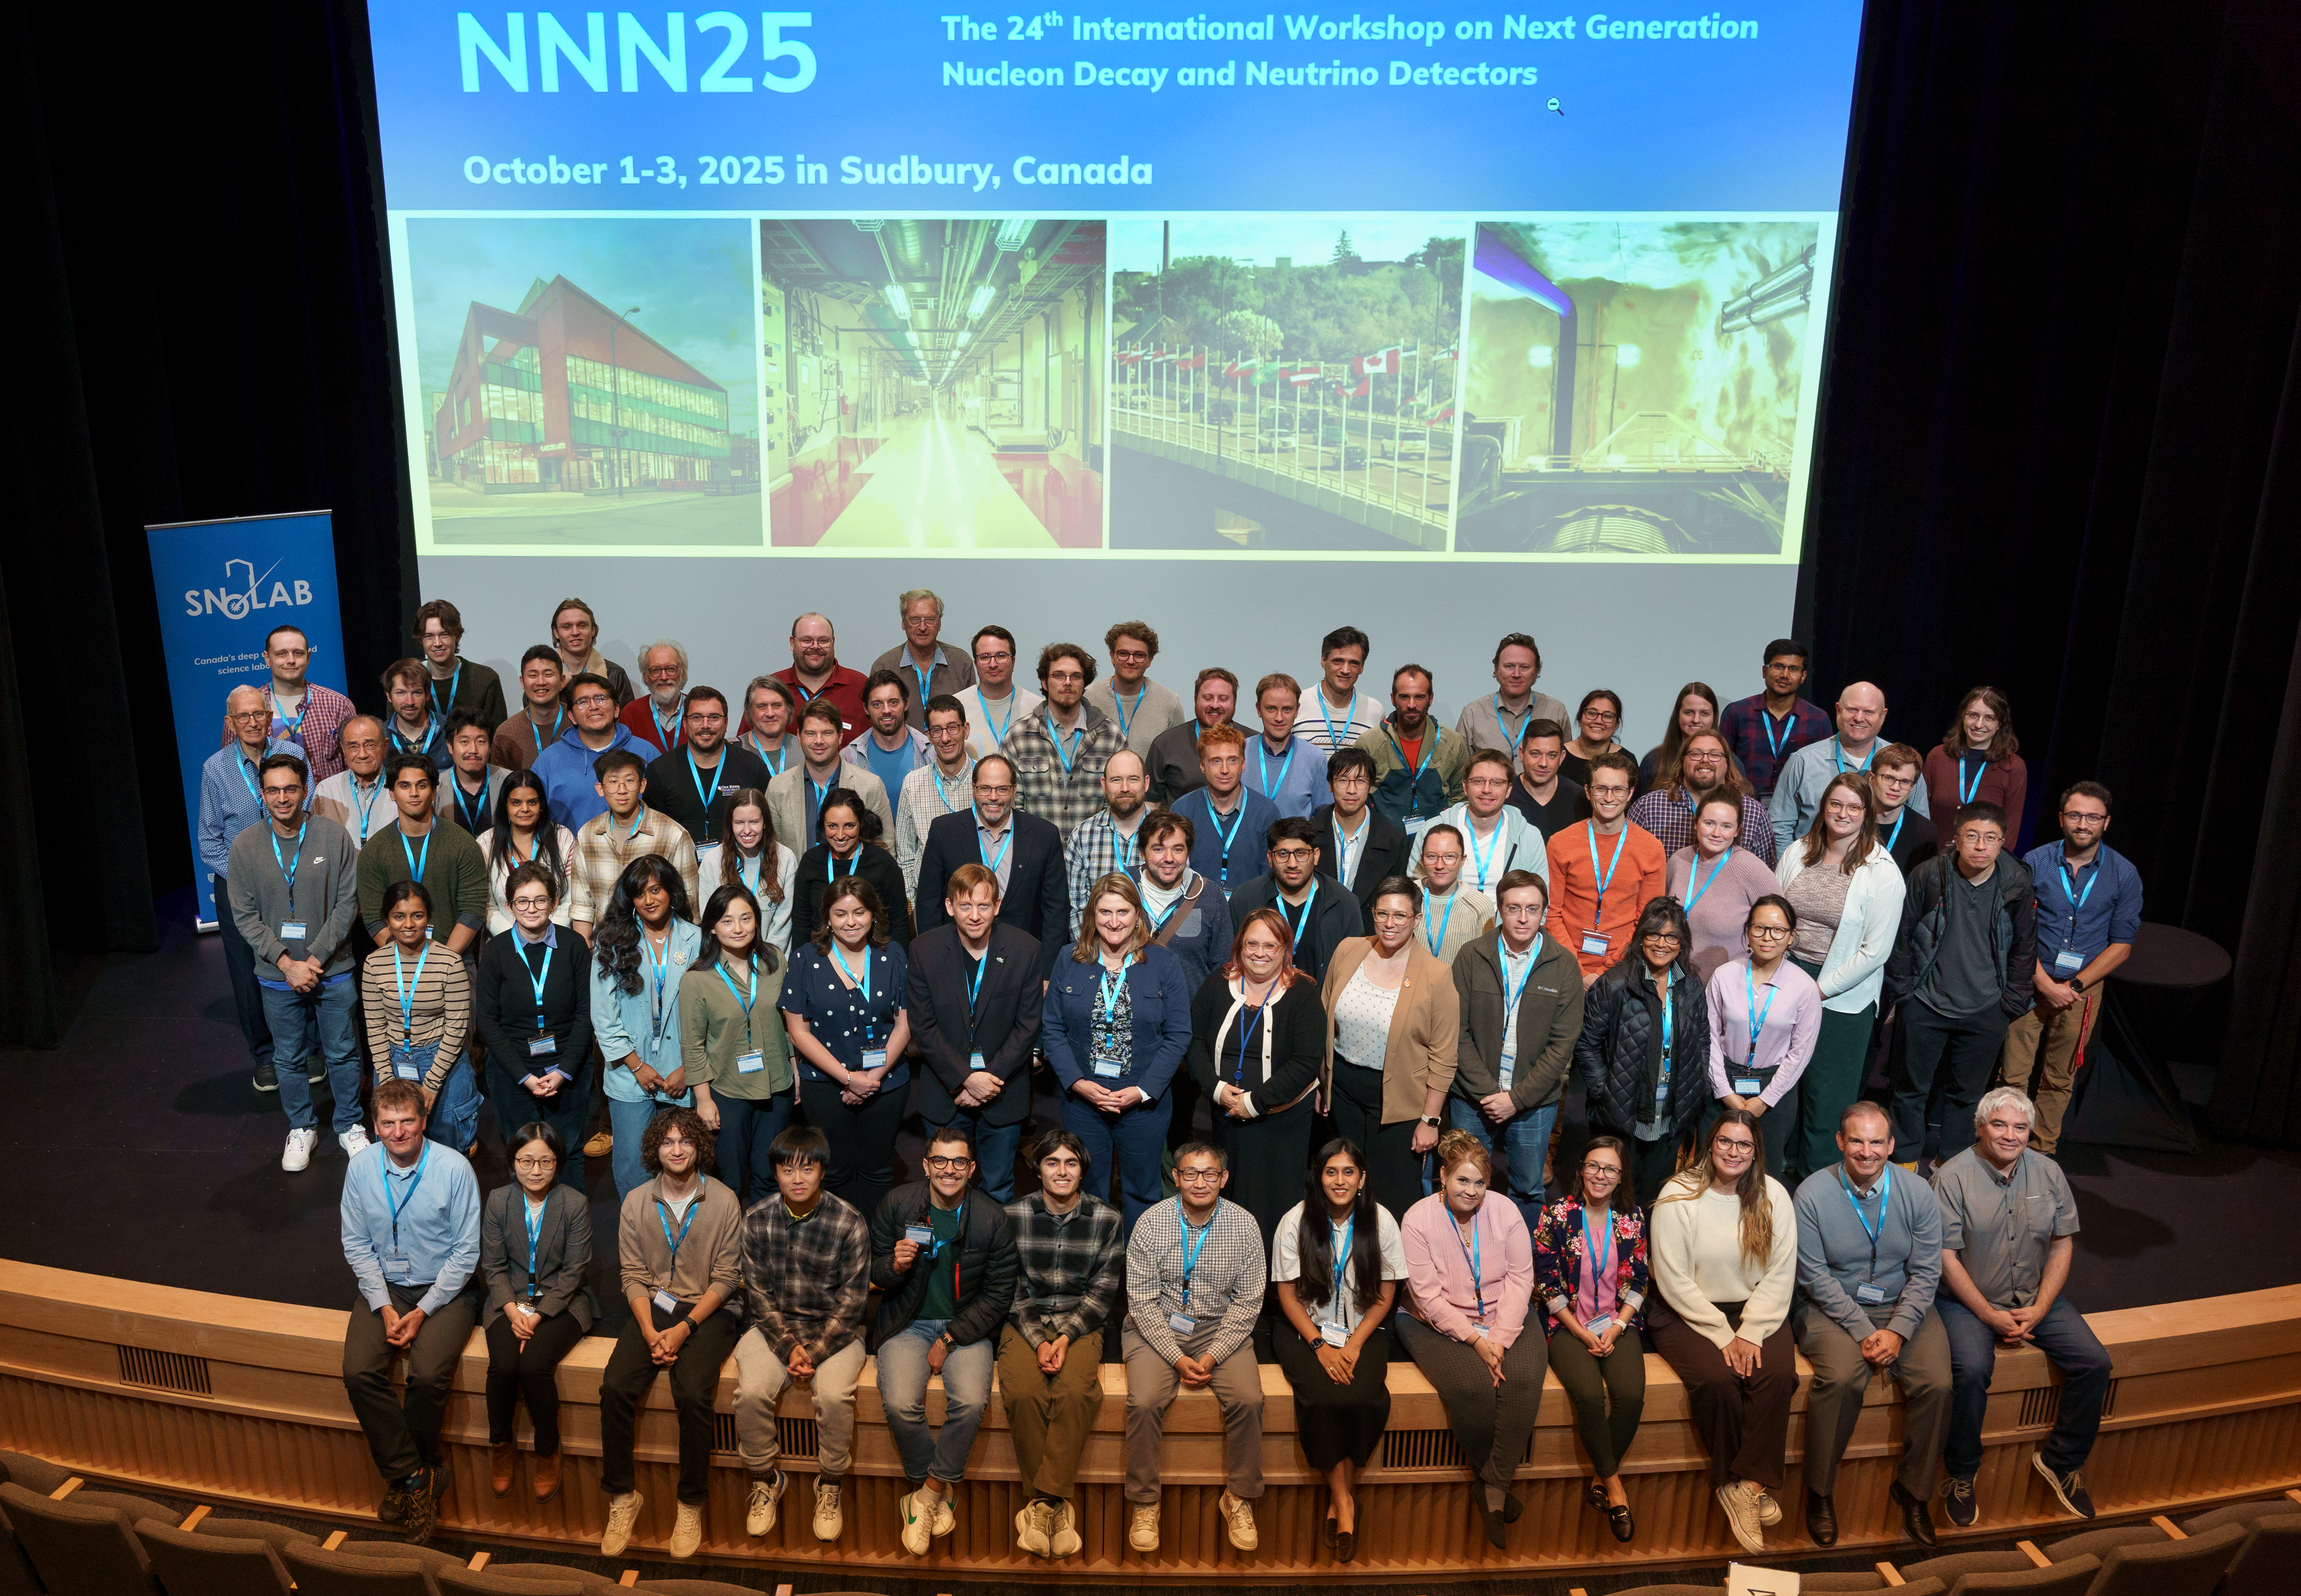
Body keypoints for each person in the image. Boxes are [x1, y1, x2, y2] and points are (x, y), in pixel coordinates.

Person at [1931, 1087, 2107, 1526]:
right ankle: (1961, 1473)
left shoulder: (2049, 1172)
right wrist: (1989, 1315)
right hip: (1966, 1302)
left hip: (2035, 1298)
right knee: (1971, 1371)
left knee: (2095, 1362)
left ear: (2030, 1131)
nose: (2010, 1135)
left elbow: (2062, 1242)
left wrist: (2042, 1306)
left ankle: (2062, 1462)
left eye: (2020, 1127)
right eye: (2000, 1124)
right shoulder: (1951, 1177)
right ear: (1980, 1126)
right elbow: (1945, 1259)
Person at [1792, 1100, 1952, 1549]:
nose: (1867, 1151)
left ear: (1892, 1145)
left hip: (1902, 1306)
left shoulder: (1919, 1191)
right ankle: (1820, 1491)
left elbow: (1926, 1272)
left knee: (1939, 1384)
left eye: (1877, 1141)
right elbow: (1814, 1276)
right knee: (1841, 1380)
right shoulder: (1811, 1194)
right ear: (1841, 1142)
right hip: (1831, 1307)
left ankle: (1915, 1491)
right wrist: (1866, 1331)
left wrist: (1898, 1330)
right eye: (1857, 1141)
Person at [1643, 1110, 1800, 1557]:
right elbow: (1672, 1280)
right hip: (1685, 1311)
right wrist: (1721, 1334)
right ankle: (1737, 1483)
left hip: (1755, 1309)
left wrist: (1751, 1330)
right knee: (1720, 1381)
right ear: (1710, 1145)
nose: (1734, 1152)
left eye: (1744, 1145)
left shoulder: (1774, 1196)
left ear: (1756, 1152)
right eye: (1725, 1142)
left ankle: (1745, 1486)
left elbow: (1780, 1271)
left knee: (1777, 1376)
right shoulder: (1678, 1194)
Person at [597, 1108, 745, 1560]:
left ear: (699, 1147)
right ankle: (623, 1497)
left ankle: (690, 1502)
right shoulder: (637, 1201)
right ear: (654, 1149)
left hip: (708, 1309)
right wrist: (648, 1330)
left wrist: (683, 1329)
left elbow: (727, 1278)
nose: (677, 1150)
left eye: (686, 1142)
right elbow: (633, 1275)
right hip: (654, 1307)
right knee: (615, 1386)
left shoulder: (723, 1200)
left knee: (695, 1393)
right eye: (668, 1142)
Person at [339, 1079, 480, 1546]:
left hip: (447, 1288)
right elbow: (357, 1243)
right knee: (359, 1370)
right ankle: (418, 1475)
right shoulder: (361, 1168)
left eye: (407, 1121)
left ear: (423, 1121)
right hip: (387, 1288)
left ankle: (410, 1476)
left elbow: (466, 1253)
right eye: (388, 1122)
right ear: (375, 1126)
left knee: (426, 1374)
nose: (398, 1131)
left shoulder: (454, 1168)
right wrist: (381, 1305)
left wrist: (421, 1311)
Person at [869, 1126, 1020, 1556]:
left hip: (967, 1327)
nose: (949, 1170)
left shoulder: (992, 1218)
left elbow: (998, 1296)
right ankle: (932, 1486)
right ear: (926, 1164)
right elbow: (871, 1271)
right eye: (940, 1160)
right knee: (900, 1402)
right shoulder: (898, 1204)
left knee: (971, 1402)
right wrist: (892, 1266)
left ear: (971, 1168)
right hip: (907, 1322)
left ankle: (928, 1494)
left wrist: (951, 1336)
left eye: (959, 1162)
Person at [1397, 1130, 1541, 1548]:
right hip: (1433, 1320)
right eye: (1463, 1180)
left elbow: (1520, 1278)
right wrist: (1478, 1343)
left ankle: (1491, 1486)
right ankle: (1495, 1482)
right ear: (1443, 1176)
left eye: (1480, 1182)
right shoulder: (1418, 1219)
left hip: (1503, 1315)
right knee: (1472, 1386)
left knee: (1527, 1379)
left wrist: (1497, 1337)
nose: (1472, 1191)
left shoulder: (1506, 1210)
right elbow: (1428, 1297)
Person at [1121, 1142, 1267, 1554]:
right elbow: (1141, 1301)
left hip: (1219, 1328)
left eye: (1209, 1174)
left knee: (1248, 1398)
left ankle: (1238, 1496)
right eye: (1190, 1173)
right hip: (1157, 1326)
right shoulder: (1151, 1223)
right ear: (1176, 1177)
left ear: (1223, 1178)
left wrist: (1213, 1354)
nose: (1199, 1182)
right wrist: (1178, 1357)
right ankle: (1146, 1503)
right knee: (1145, 1400)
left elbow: (1249, 1300)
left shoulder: (1244, 1225)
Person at [730, 1125, 871, 1545]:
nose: (797, 1178)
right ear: (775, 1172)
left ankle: (829, 1483)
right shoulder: (756, 1218)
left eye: (807, 1169)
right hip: (774, 1328)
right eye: (788, 1169)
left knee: (832, 1397)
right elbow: (758, 1295)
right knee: (751, 1392)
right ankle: (765, 1478)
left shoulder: (850, 1221)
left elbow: (853, 1303)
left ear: (822, 1172)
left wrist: (812, 1350)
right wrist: (790, 1346)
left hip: (836, 1332)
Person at [1269, 1139, 1404, 1562]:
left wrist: (1353, 1345)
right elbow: (1288, 1298)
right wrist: (1321, 1348)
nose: (1340, 1180)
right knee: (1323, 1397)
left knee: (1362, 1396)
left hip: (1364, 1330)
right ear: (1319, 1176)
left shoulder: (1381, 1221)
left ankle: (1339, 1496)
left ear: (1362, 1178)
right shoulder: (1295, 1221)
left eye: (1349, 1172)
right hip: (1303, 1331)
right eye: (1331, 1171)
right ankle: (1344, 1500)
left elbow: (1386, 1295)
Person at [1883, 801, 2038, 1165]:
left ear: (2002, 843)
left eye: (1990, 838)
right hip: (1926, 1001)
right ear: (1956, 839)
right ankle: (1904, 1159)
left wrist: (2010, 1004)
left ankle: (1950, 1165)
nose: (1980, 846)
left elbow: (2024, 947)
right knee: (1909, 1089)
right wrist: (1906, 993)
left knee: (1967, 1095)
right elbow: (1902, 935)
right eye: (1972, 836)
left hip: (1986, 1008)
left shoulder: (2016, 883)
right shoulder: (1929, 875)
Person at [228, 752, 362, 1165]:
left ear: (306, 790)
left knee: (341, 1051)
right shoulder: (246, 845)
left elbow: (347, 903)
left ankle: (350, 1124)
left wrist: (315, 958)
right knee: (288, 1056)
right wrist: (288, 963)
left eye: (291, 789)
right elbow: (244, 917)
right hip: (276, 974)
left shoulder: (333, 836)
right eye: (273, 790)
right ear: (262, 794)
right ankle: (301, 1128)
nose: (283, 798)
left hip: (332, 969)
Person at [1044, 873, 1195, 1230]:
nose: (1114, 922)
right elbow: (1052, 1028)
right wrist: (1078, 1084)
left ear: (1138, 914)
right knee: (1088, 1190)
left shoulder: (1163, 962)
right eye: (1106, 912)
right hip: (1083, 1102)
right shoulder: (1069, 958)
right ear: (1092, 915)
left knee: (1143, 1191)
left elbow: (1178, 1035)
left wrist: (1141, 1091)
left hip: (1144, 1104)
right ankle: (1097, 1271)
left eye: (1123, 911)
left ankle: (1138, 1276)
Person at [1001, 1129, 1126, 1560]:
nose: (1061, 1171)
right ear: (1038, 1169)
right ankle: (1053, 1505)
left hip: (1082, 1321)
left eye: (1071, 1163)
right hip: (1024, 1320)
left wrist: (1067, 1336)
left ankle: (1042, 1503)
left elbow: (1103, 1292)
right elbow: (1009, 1286)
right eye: (1052, 1162)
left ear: (1083, 1170)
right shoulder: (1012, 1214)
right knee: (1023, 1392)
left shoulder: (1107, 1219)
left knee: (1076, 1393)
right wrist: (1039, 1339)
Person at [1777, 772, 1907, 1179]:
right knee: (1782, 1094)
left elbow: (1876, 951)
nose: (1843, 813)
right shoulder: (1798, 851)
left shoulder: (1882, 871)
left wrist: (1818, 989)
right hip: (1785, 979)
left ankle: (1817, 1192)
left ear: (1867, 813)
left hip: (1840, 998)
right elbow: (1775, 915)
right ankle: (1775, 1183)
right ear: (1824, 806)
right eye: (1836, 804)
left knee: (1826, 1101)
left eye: (1854, 806)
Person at [2002, 781, 2140, 1155]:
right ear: (2062, 818)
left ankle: (2041, 1151)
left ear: (2106, 822)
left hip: (2083, 988)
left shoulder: (2123, 874)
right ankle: (2002, 1146)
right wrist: (2044, 982)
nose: (2083, 823)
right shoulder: (2034, 861)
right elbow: (2016, 930)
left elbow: (2122, 946)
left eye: (2093, 817)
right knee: (2013, 1074)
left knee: (2060, 1077)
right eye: (2076, 815)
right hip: (2031, 978)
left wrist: (2074, 984)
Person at [1449, 869, 1585, 1228]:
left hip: (1533, 1104)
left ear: (1544, 912)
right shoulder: (1471, 956)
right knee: (1463, 1185)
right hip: (1471, 1098)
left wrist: (1517, 1098)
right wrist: (1489, 1093)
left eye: (1532, 909)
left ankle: (1521, 1270)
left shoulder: (1564, 965)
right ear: (1500, 910)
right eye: (1514, 908)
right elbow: (1456, 1032)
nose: (1523, 918)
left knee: (1527, 1190)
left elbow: (1562, 1046)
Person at [1532, 1135, 1650, 1542]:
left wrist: (1617, 1326)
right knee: (1589, 1395)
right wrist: (1581, 1331)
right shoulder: (1557, 1215)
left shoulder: (1630, 1216)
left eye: (1611, 1169)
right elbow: (1545, 1282)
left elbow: (1639, 1278)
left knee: (1631, 1396)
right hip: (1566, 1324)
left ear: (1621, 1177)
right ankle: (1615, 1486)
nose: (1601, 1175)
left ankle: (1601, 1477)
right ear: (1581, 1169)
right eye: (1595, 1166)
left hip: (1618, 1322)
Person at [1320, 875, 1459, 1220]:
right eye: (1382, 913)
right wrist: (1322, 1083)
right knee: (1344, 1184)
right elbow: (1324, 1016)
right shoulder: (1349, 949)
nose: (1389, 923)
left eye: (1400, 915)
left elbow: (1444, 1056)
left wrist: (1430, 1119)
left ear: (1417, 918)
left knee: (1392, 1193)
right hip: (1343, 1090)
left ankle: (1391, 1272)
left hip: (1400, 1101)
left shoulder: (1436, 974)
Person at [1187, 908, 1328, 1247]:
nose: (1260, 953)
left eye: (1270, 944)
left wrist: (1253, 1102)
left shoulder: (1304, 993)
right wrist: (1218, 1090)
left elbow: (1305, 1062)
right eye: (1252, 943)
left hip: (1281, 1127)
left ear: (1285, 949)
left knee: (1272, 1211)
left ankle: (1270, 1291)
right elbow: (1192, 1041)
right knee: (1227, 1204)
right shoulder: (1218, 983)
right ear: (1240, 945)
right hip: (1225, 1119)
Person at [909, 863, 1043, 1203]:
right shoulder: (924, 949)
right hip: (945, 1093)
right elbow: (923, 1027)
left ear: (997, 906)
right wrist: (966, 1078)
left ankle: (990, 1257)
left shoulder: (1025, 949)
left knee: (998, 1189)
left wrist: (988, 1079)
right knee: (945, 1189)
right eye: (965, 905)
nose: (974, 915)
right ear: (950, 905)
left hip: (1004, 1091)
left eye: (984, 905)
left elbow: (1028, 1025)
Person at [780, 876, 913, 1217]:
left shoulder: (893, 954)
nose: (851, 922)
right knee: (835, 1171)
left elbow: (905, 1023)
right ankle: (841, 1250)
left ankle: (876, 1252)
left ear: (873, 915)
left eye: (859, 912)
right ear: (827, 917)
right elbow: (798, 1032)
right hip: (825, 1085)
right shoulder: (804, 959)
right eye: (840, 914)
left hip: (886, 1083)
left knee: (878, 1170)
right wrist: (847, 1078)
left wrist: (872, 1077)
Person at [480, 1122, 592, 1504]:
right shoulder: (499, 1200)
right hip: (507, 1301)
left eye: (546, 1161)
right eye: (527, 1160)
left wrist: (537, 1316)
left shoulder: (574, 1203)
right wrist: (512, 1311)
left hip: (560, 1303)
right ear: (514, 1162)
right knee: (504, 1366)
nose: (536, 1169)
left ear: (558, 1163)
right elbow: (493, 1267)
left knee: (534, 1367)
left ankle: (548, 1452)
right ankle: (500, 1446)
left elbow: (574, 1274)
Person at [1576, 897, 1712, 1203]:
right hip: (1620, 1115)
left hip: (1669, 1114)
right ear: (1641, 937)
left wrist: (1696, 1086)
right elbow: (1587, 1045)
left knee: (1653, 1197)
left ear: (1682, 942)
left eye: (1671, 936)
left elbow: (1703, 1041)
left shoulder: (1691, 985)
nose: (1662, 944)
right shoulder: (1614, 985)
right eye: (1654, 934)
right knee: (1613, 1199)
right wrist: (1606, 1092)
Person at [473, 863, 595, 1183]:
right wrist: (525, 1076)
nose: (532, 908)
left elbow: (587, 1014)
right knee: (524, 1156)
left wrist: (564, 1071)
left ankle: (571, 1227)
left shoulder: (574, 946)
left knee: (569, 1152)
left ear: (555, 904)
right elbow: (488, 1021)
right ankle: (527, 1228)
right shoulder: (495, 952)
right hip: (513, 1072)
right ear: (510, 905)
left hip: (568, 1068)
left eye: (541, 900)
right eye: (523, 901)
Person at [590, 857, 701, 1198]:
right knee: (633, 1168)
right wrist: (636, 1065)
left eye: (656, 890)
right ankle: (640, 1242)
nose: (650, 900)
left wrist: (691, 1068)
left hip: (683, 1072)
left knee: (683, 1166)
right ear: (630, 899)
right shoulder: (611, 940)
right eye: (640, 894)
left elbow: (708, 1012)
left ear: (671, 891)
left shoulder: (696, 938)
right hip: (629, 1072)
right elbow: (603, 1015)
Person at [681, 882, 794, 1204]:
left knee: (769, 1176)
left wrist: (795, 1071)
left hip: (777, 1084)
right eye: (727, 921)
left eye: (746, 918)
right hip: (726, 1090)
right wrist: (703, 1100)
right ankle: (728, 1250)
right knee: (728, 1181)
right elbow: (692, 1046)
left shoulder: (774, 960)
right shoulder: (697, 978)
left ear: (757, 921)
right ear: (713, 928)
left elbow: (789, 1024)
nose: (738, 928)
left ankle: (762, 1245)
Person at [202, 685, 288, 1089]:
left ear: (270, 715)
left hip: (288, 879)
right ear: (230, 723)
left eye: (259, 714)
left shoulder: (294, 757)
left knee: (292, 960)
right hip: (237, 887)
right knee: (247, 972)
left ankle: (304, 1049)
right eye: (243, 716)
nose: (253, 722)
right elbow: (209, 842)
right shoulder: (215, 769)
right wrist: (244, 878)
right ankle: (266, 1055)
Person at [912, 755, 1064, 980]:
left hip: (1023, 965)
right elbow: (928, 904)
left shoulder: (1045, 835)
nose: (993, 797)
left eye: (1002, 789)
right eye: (985, 788)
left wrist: (1047, 974)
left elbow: (1056, 911)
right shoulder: (944, 831)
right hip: (957, 961)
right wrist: (933, 965)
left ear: (1014, 791)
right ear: (974, 789)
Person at [1707, 897, 1823, 1180]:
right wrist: (1724, 1091)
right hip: (1722, 1082)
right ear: (1748, 931)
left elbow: (1800, 1053)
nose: (1767, 937)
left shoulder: (1805, 988)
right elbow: (1708, 1037)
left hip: (1775, 1089)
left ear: (1791, 937)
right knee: (1713, 1170)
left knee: (1764, 1176)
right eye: (1759, 928)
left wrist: (1765, 1100)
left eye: (1778, 930)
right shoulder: (1724, 975)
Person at [360, 880, 480, 1151]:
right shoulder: (374, 964)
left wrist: (432, 1083)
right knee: (398, 1148)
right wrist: (388, 1080)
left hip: (442, 1061)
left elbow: (457, 1029)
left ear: (428, 918)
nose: (409, 924)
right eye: (399, 916)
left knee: (449, 1149)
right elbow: (376, 1027)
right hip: (392, 1062)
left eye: (417, 915)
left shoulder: (450, 961)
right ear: (387, 921)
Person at [1547, 751, 1668, 986]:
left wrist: (1608, 970)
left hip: (1624, 968)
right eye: (1601, 789)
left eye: (1618, 790)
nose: (1609, 797)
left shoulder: (1651, 849)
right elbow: (1551, 915)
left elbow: (1646, 921)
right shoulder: (1560, 843)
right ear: (1588, 791)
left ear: (1630, 793)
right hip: (1564, 964)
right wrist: (1579, 972)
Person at [356, 753, 489, 963]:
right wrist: (407, 960)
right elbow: (374, 918)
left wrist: (442, 962)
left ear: (434, 791)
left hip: (456, 961)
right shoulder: (375, 850)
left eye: (422, 785)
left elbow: (473, 910)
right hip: (397, 964)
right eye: (405, 786)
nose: (414, 793)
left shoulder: (462, 843)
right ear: (392, 793)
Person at [568, 748, 701, 940]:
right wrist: (586, 951)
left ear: (642, 785)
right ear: (600, 789)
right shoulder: (587, 835)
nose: (622, 790)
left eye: (629, 781)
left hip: (660, 949)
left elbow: (689, 907)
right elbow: (582, 906)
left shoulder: (673, 835)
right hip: (606, 950)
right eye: (613, 782)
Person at [1004, 642, 1124, 841]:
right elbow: (1012, 803)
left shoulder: (1111, 736)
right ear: (1044, 682)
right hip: (1036, 855)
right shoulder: (1019, 735)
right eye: (1059, 676)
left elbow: (1117, 804)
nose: (1067, 683)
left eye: (1076, 676)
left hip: (1093, 854)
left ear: (1084, 684)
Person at [1224, 816, 1365, 984]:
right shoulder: (1245, 899)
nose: (1292, 864)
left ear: (1316, 856)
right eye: (1283, 854)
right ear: (1270, 858)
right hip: (1259, 1002)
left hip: (1319, 1005)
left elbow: (1355, 970)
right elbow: (1232, 961)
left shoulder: (1344, 903)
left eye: (1301, 854)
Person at [1409, 747, 1554, 896]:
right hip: (1445, 918)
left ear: (1509, 789)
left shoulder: (1529, 837)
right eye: (1478, 781)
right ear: (1466, 786)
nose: (1487, 789)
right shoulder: (1432, 831)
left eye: (1496, 783)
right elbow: (1415, 890)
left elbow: (1539, 901)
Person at [1768, 681, 1889, 856]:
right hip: (1811, 870)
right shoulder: (1804, 761)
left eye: (1869, 712)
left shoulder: (1901, 768)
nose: (1859, 718)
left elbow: (1916, 826)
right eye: (1852, 710)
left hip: (1875, 874)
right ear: (1839, 710)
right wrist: (1791, 872)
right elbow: (1779, 827)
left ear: (1883, 716)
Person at [1670, 793, 1782, 981]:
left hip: (1726, 987)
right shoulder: (1678, 861)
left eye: (1726, 826)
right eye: (1710, 823)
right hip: (1676, 981)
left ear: (1738, 831)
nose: (1716, 833)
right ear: (1696, 823)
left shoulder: (1750, 868)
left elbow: (1781, 927)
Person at [1629, 729, 1777, 868]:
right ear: (1682, 761)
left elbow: (1767, 871)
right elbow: (1628, 866)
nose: (1705, 760)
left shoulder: (1753, 812)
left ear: (1727, 764)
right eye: (1696, 754)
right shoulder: (1648, 808)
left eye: (1714, 755)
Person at [790, 787, 913, 951]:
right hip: (822, 957)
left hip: (872, 956)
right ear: (823, 826)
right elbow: (801, 923)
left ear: (861, 824)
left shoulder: (883, 862)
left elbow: (899, 922)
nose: (840, 836)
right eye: (832, 826)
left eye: (849, 826)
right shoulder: (811, 861)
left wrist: (900, 964)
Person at [647, 686, 770, 849]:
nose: (706, 725)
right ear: (685, 723)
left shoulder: (753, 767)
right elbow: (652, 832)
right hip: (679, 869)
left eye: (714, 717)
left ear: (726, 723)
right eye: (697, 718)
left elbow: (768, 826)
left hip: (738, 867)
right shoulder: (660, 770)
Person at [1170, 723, 1280, 901]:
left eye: (1232, 760)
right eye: (1216, 761)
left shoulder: (1266, 812)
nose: (1225, 770)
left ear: (1243, 764)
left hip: (1250, 911)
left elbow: (1270, 877)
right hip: (1193, 909)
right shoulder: (1182, 811)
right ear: (1202, 766)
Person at [769, 698, 894, 851]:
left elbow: (886, 850)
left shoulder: (870, 786)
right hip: (799, 875)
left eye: (827, 733)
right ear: (799, 737)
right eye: (811, 733)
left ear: (840, 736)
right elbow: (773, 853)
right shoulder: (778, 788)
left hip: (855, 876)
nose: (819, 741)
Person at [529, 672, 648, 831]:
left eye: (601, 698)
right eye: (583, 702)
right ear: (572, 716)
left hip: (639, 853)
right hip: (570, 854)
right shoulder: (548, 762)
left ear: (616, 709)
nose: (593, 706)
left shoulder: (646, 753)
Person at [1359, 664, 1467, 835]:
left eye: (1419, 697)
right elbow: (1359, 796)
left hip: (1436, 847)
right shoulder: (1369, 744)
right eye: (1404, 697)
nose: (1411, 705)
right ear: (1393, 699)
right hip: (1383, 844)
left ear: (1431, 699)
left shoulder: (1453, 743)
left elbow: (1461, 795)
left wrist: (1446, 830)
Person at [1135, 810, 1233, 994]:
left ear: (1188, 853)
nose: (1169, 858)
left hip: (1191, 1015)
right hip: (1130, 1014)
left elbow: (1224, 966)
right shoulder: (1123, 889)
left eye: (1178, 849)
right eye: (1158, 849)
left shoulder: (1209, 894)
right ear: (1142, 853)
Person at [242, 622, 357, 781]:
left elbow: (356, 764)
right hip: (272, 804)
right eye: (282, 654)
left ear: (308, 657)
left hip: (328, 804)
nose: (291, 660)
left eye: (298, 653)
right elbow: (233, 766)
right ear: (267, 659)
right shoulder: (245, 708)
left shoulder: (338, 705)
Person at [1720, 639, 1831, 802]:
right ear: (1765, 671)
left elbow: (1824, 773)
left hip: (1796, 813)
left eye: (1793, 669)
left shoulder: (1818, 719)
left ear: (1803, 676)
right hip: (1743, 807)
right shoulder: (1737, 712)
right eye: (1779, 667)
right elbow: (1721, 762)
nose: (1785, 675)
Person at [701, 788, 798, 958]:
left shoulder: (786, 858)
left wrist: (767, 958)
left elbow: (784, 921)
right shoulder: (713, 861)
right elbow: (709, 918)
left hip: (772, 959)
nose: (747, 831)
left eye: (754, 822)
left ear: (765, 822)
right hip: (727, 960)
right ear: (731, 824)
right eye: (739, 823)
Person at [1924, 686, 2028, 844]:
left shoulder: (2014, 767)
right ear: (1963, 717)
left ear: (2000, 723)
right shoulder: (1938, 756)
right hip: (1932, 859)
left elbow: (2011, 828)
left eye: (1989, 718)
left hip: (1980, 863)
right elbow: (1920, 812)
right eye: (1973, 715)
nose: (1979, 725)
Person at [894, 694, 975, 895]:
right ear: (928, 736)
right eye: (937, 731)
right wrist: (912, 902)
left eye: (952, 728)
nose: (945, 738)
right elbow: (905, 855)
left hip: (978, 897)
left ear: (966, 730)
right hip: (930, 897)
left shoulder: (986, 781)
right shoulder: (913, 784)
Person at [1314, 746, 1408, 919]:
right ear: (1330, 785)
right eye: (1343, 780)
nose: (1352, 790)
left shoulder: (1394, 841)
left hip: (1369, 938)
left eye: (1361, 781)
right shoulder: (1309, 836)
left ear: (1370, 787)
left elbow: (1396, 900)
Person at [1062, 748, 1152, 915]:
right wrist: (1092, 943)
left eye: (1133, 779)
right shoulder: (1083, 836)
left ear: (1146, 783)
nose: (1125, 788)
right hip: (1097, 940)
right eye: (1116, 780)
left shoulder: (1166, 834)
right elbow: (1075, 909)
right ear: (1104, 785)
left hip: (1154, 938)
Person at [872, 588, 978, 726]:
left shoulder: (961, 662)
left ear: (939, 623)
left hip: (949, 746)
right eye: (915, 619)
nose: (922, 627)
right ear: (904, 623)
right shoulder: (884, 667)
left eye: (930, 619)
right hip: (901, 748)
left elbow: (971, 716)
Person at [1455, 632, 1572, 757]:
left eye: (1524, 667)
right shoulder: (1473, 713)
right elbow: (1462, 769)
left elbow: (1565, 765)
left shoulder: (1556, 711)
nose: (1517, 674)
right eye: (1509, 666)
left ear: (1537, 672)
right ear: (1496, 670)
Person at [1085, 618, 1185, 756]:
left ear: (1150, 660)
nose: (1131, 661)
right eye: (1123, 654)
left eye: (1139, 655)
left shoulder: (1169, 702)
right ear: (1112, 656)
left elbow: (1178, 759)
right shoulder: (1089, 698)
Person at [1146, 666, 1244, 804]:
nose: (1215, 705)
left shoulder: (1251, 742)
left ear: (1234, 702)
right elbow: (1151, 804)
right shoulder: (1166, 744)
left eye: (1223, 699)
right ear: (1195, 699)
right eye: (1208, 698)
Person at [774, 611, 868, 744]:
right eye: (806, 640)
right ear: (793, 643)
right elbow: (747, 746)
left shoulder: (860, 686)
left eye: (823, 641)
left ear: (833, 643)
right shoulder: (773, 689)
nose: (815, 647)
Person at [413, 599, 507, 731]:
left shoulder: (485, 679)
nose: (437, 643)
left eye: (444, 634)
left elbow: (498, 737)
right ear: (421, 640)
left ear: (458, 637)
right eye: (429, 636)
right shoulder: (406, 681)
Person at [1246, 674, 1330, 819]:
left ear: (1297, 710)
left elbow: (1325, 818)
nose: (1279, 718)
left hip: (1297, 842)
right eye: (1271, 709)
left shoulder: (1315, 758)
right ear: (1258, 709)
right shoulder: (1240, 752)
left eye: (1287, 709)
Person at [952, 625, 1041, 760]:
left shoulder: (1038, 708)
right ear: (976, 664)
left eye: (1001, 656)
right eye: (985, 657)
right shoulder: (955, 707)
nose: (993, 664)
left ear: (1014, 661)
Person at [1411, 824, 1496, 965]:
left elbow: (1485, 962)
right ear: (1422, 859)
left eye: (1450, 857)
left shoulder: (1480, 905)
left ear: (1462, 860)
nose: (1440, 865)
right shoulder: (1406, 895)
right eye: (1432, 856)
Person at [845, 668, 933, 799]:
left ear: (906, 704)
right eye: (877, 704)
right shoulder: (849, 757)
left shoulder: (931, 752)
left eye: (893, 702)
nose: (886, 710)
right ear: (866, 709)